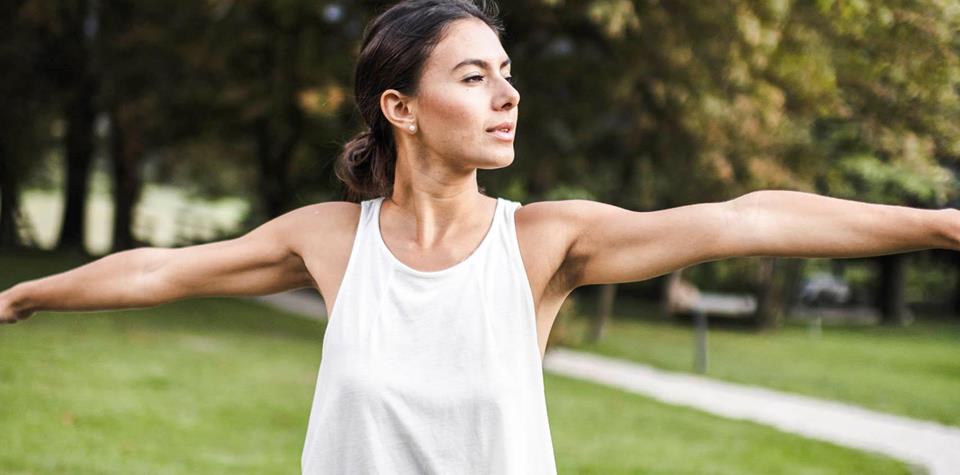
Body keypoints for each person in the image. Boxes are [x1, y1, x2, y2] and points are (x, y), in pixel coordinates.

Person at [1, 0, 958, 473]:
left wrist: (940, 223)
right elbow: (160, 271)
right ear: (401, 107)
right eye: (472, 77)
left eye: (506, 72)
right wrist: (20, 294)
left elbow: (749, 216)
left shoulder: (545, 242)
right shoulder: (330, 240)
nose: (507, 95)